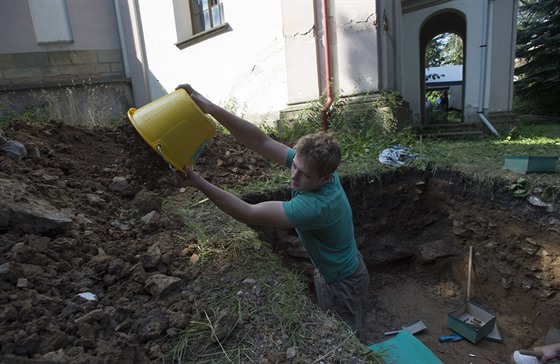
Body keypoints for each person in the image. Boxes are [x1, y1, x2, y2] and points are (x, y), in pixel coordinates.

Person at [175, 84, 370, 334]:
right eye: (294, 167)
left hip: (343, 281)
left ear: (325, 177)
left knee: (344, 337)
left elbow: (249, 213)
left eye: (304, 175)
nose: (294, 177)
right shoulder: (315, 166)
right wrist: (211, 108)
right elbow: (261, 141)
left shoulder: (316, 207)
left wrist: (197, 182)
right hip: (341, 266)